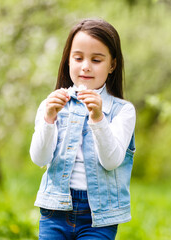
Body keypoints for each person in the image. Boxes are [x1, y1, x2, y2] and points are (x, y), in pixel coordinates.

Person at [29, 18, 136, 240]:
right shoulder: (51, 105)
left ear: (112, 65)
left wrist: (97, 117)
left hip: (99, 217)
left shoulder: (122, 111)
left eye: (96, 59)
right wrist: (50, 118)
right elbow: (39, 158)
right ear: (68, 61)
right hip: (54, 211)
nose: (85, 66)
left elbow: (111, 160)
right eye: (78, 58)